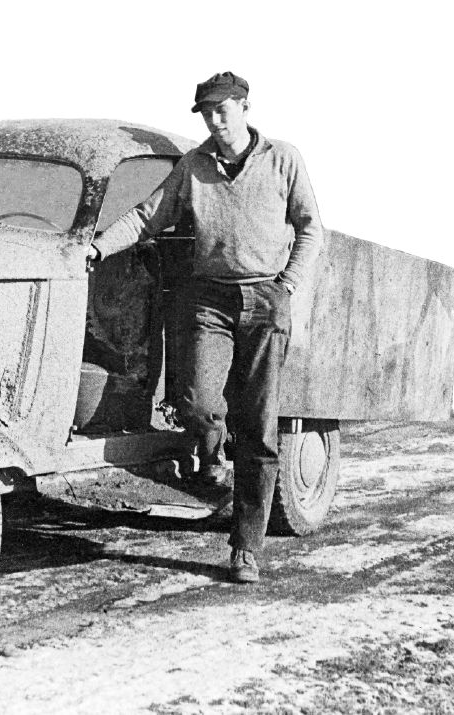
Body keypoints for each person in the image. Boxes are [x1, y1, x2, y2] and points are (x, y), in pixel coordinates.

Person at [89, 71, 323, 583]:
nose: (215, 122)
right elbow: (148, 216)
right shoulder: (193, 166)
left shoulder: (284, 159)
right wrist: (97, 246)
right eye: (206, 114)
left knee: (259, 428)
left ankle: (245, 549)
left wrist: (287, 284)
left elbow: (311, 228)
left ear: (244, 106)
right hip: (209, 300)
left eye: (222, 110)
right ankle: (212, 460)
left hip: (266, 298)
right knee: (195, 401)